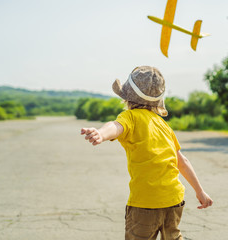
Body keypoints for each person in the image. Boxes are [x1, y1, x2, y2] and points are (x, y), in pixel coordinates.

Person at [81, 66, 213, 240]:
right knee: (173, 235)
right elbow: (182, 161)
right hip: (174, 200)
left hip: (145, 203)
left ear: (127, 98)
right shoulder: (163, 125)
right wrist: (200, 191)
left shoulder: (131, 117)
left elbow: (115, 126)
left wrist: (101, 134)